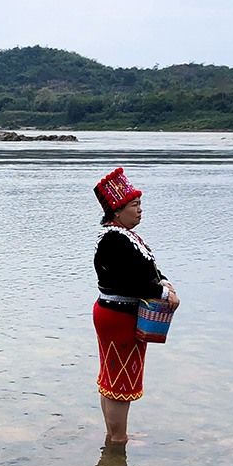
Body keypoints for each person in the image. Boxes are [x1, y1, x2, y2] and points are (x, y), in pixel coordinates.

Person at [92, 167, 179, 445]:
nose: (140, 210)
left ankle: (113, 435)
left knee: (111, 375)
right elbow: (136, 283)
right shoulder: (115, 240)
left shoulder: (121, 237)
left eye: (140, 204)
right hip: (119, 317)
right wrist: (165, 293)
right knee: (119, 379)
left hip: (113, 314)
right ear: (118, 211)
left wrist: (164, 281)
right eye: (134, 205)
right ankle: (118, 440)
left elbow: (147, 271)